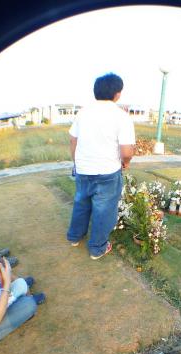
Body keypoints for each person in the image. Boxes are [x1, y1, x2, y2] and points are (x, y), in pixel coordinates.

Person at [66, 73, 135, 260]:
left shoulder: (82, 113)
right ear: (117, 93)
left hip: (83, 169)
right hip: (107, 171)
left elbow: (73, 140)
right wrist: (126, 162)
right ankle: (97, 248)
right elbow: (126, 151)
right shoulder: (122, 117)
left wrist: (77, 162)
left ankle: (75, 237)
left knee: (81, 203)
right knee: (104, 210)